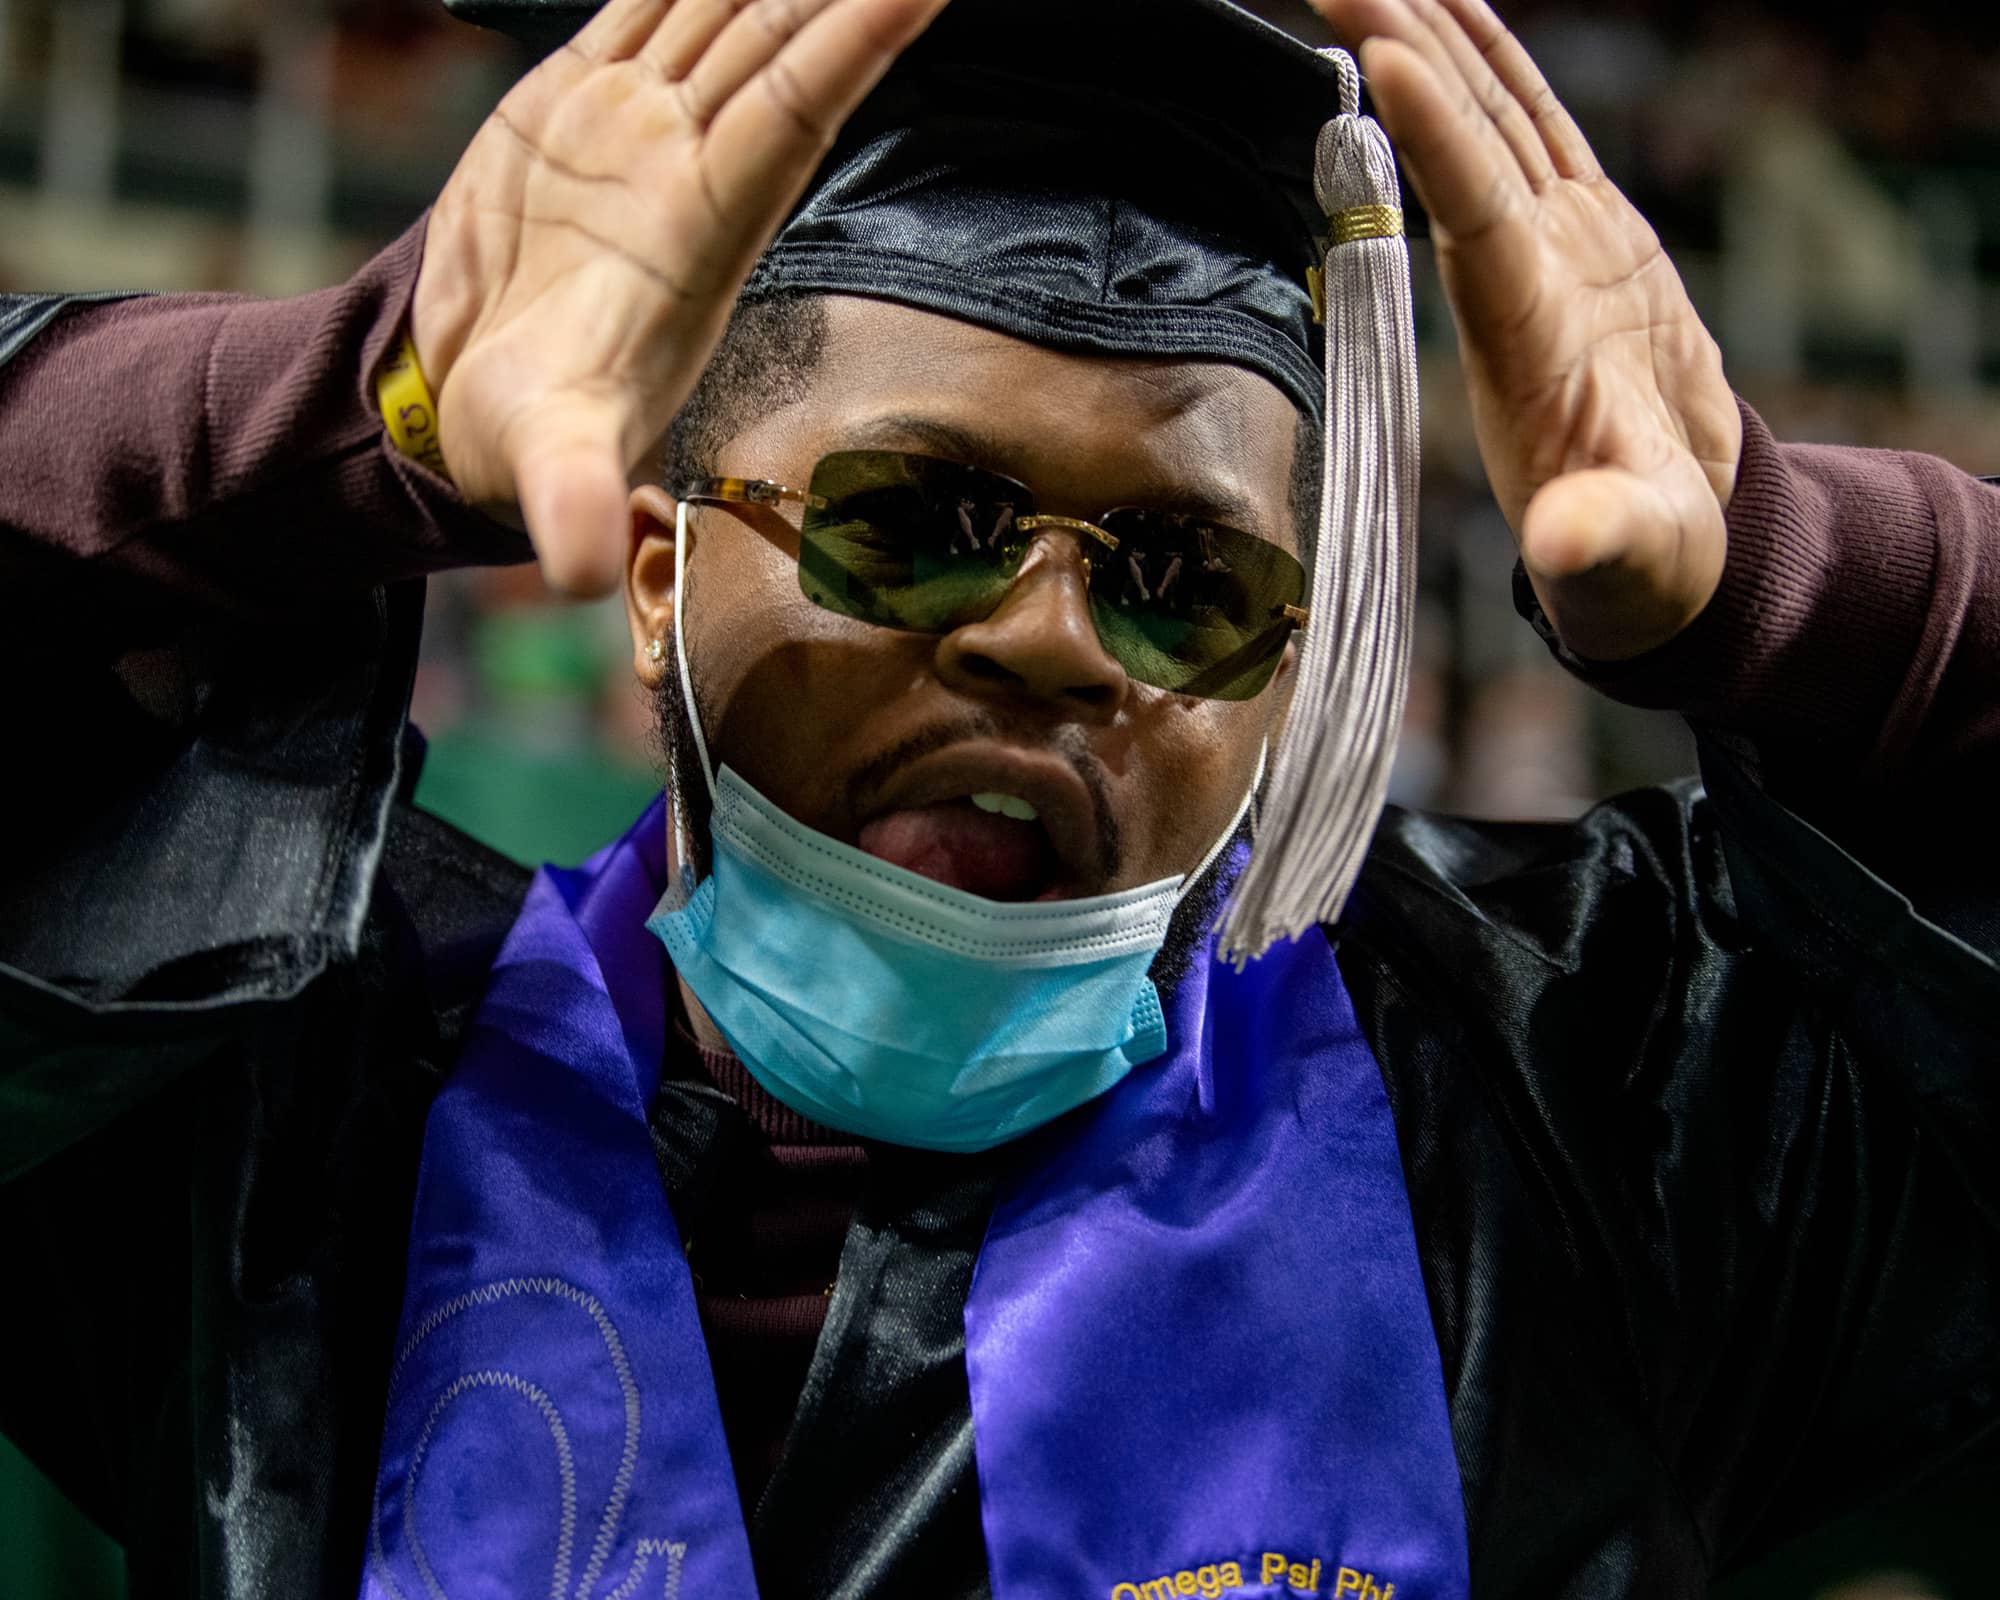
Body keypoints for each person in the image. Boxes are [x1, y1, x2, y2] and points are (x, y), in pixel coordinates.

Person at [1, 0, 1994, 1596]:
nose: (1054, 644)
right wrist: (361, 407)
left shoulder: (1575, 1126)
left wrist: (1783, 576)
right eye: (916, 520)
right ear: (662, 574)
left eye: (1184, 583)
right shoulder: (278, 1107)